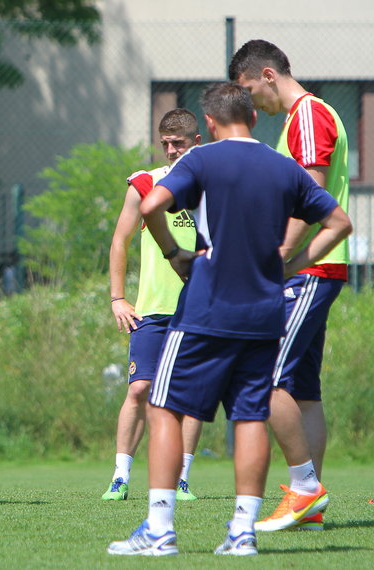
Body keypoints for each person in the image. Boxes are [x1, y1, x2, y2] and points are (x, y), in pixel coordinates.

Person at [107, 82, 351, 557]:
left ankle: (160, 529)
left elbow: (152, 203)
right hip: (264, 310)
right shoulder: (284, 167)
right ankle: (242, 532)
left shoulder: (201, 160)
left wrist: (174, 252)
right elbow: (339, 222)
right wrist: (292, 265)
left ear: (211, 126)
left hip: (207, 306)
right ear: (255, 120)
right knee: (250, 416)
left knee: (163, 408)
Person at [229, 39, 349, 532]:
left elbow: (311, 192)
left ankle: (304, 488)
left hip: (306, 269)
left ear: (267, 74)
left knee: (266, 378)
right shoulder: (311, 115)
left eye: (248, 89)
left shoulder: (305, 114)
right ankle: (311, 502)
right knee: (302, 392)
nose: (249, 102)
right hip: (318, 267)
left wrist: (277, 257)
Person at [105, 109, 203, 502]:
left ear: (197, 142)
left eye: (178, 143)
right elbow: (119, 241)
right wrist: (117, 298)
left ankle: (181, 478)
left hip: (199, 308)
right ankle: (120, 476)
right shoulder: (145, 184)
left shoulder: (213, 186)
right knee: (139, 388)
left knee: (192, 393)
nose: (170, 150)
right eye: (164, 143)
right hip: (152, 309)